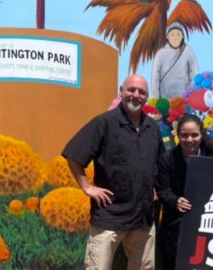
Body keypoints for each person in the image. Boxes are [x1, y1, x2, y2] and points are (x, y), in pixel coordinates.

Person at [62, 74, 164, 270]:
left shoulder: (152, 128)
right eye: (131, 90)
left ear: (146, 97)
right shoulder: (104, 123)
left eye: (141, 92)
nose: (136, 95)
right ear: (121, 91)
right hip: (109, 216)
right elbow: (74, 155)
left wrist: (157, 187)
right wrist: (87, 187)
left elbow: (160, 162)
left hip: (142, 218)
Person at [156, 114, 213, 270]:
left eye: (194, 135)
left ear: (201, 135)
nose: (189, 139)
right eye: (184, 135)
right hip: (174, 227)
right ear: (178, 136)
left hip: (204, 227)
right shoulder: (167, 159)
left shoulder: (212, 158)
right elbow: (163, 189)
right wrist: (175, 200)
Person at [151, 22, 198, 99]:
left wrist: (191, 97)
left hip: (184, 100)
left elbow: (194, 75)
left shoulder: (188, 52)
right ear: (167, 36)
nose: (175, 37)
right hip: (164, 100)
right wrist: (155, 98)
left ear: (182, 36)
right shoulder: (160, 54)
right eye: (172, 34)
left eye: (178, 34)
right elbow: (155, 78)